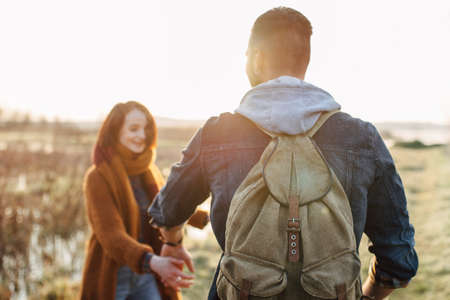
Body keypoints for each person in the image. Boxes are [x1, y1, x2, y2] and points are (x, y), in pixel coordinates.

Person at [149, 7, 418, 300]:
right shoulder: (361, 138)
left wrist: (173, 243)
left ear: (256, 58)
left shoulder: (218, 134)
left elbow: (168, 211)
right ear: (306, 59)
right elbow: (397, 259)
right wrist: (366, 296)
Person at [80, 101, 206, 300]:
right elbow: (111, 235)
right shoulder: (97, 177)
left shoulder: (148, 170)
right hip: (113, 275)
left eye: (146, 128)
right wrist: (152, 262)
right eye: (133, 129)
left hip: (148, 273)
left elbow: (164, 206)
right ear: (115, 132)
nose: (142, 135)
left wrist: (209, 217)